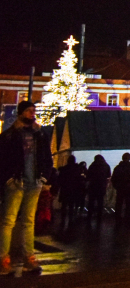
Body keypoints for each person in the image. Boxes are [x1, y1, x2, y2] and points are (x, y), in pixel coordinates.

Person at [0, 101, 53, 275]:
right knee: (10, 220)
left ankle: (27, 258)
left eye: (33, 111)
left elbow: (47, 157)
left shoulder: (40, 134)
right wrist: (9, 179)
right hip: (17, 182)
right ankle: (4, 258)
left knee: (27, 221)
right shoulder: (10, 135)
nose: (32, 113)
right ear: (21, 113)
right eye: (29, 111)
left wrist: (43, 177)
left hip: (33, 182)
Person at [57, 155, 85, 225]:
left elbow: (60, 180)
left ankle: (63, 220)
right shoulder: (77, 169)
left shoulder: (64, 169)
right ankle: (70, 219)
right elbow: (80, 180)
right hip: (74, 190)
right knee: (71, 206)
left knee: (64, 205)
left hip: (65, 190)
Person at [111, 153, 130, 221]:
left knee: (119, 203)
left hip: (120, 188)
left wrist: (116, 186)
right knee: (129, 204)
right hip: (129, 188)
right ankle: (128, 218)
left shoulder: (118, 167)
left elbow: (113, 178)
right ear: (129, 158)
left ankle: (117, 217)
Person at [86, 155, 111, 222]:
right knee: (100, 202)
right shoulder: (106, 166)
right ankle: (99, 216)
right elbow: (108, 175)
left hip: (93, 186)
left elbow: (88, 176)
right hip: (101, 186)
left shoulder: (92, 166)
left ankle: (89, 215)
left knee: (91, 202)